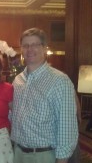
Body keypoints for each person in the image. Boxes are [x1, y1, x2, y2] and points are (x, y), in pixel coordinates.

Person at [11, 27, 78, 163]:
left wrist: (62, 160)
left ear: (44, 48)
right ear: (21, 49)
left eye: (35, 45)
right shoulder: (17, 80)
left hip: (43, 155)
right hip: (17, 153)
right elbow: (13, 114)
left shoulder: (59, 81)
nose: (30, 49)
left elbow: (67, 126)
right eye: (25, 45)